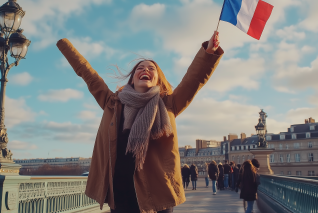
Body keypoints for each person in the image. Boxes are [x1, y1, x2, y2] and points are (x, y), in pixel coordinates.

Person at [57, 32, 223, 212]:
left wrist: (208, 53)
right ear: (133, 77)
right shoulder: (112, 103)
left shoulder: (169, 104)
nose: (145, 70)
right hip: (121, 196)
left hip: (157, 197)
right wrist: (64, 44)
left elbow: (194, 79)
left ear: (158, 79)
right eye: (140, 68)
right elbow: (88, 75)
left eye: (151, 68)